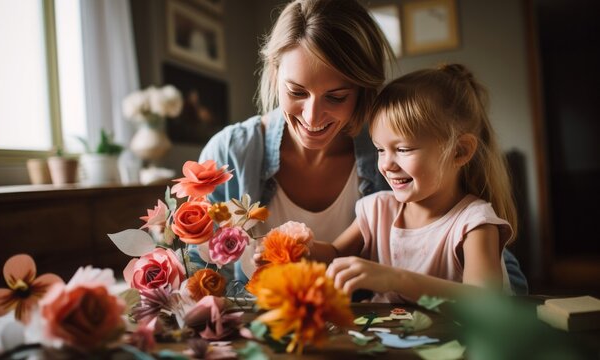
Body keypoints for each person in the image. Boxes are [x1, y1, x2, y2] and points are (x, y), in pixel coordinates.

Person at [193, 0, 527, 294]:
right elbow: (196, 275)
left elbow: (502, 282)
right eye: (296, 92)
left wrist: (399, 280)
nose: (312, 116)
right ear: (274, 73)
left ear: (363, 89)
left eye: (336, 97)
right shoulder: (228, 155)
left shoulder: (396, 149)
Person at [321, 63, 519, 302]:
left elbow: (486, 302)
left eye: (403, 149)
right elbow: (333, 254)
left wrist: (395, 279)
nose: (386, 164)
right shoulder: (377, 210)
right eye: (380, 150)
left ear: (460, 151)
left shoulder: (474, 222)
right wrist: (294, 248)